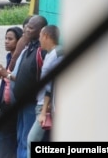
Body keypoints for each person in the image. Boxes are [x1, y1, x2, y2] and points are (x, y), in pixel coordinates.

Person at [0, 15, 48, 158]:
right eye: (26, 26)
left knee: (28, 141)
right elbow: (17, 74)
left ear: (41, 31)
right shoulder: (28, 48)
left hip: (32, 104)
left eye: (31, 28)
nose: (26, 29)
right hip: (20, 103)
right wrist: (6, 75)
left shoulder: (41, 52)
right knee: (20, 139)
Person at [27, 25, 64, 158]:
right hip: (43, 104)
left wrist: (45, 110)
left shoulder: (58, 54)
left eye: (40, 36)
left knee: (32, 140)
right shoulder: (49, 54)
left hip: (47, 107)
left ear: (46, 36)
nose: (39, 39)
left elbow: (54, 84)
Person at [0, 26, 23, 158]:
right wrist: (3, 75)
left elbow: (20, 79)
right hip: (4, 104)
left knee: (6, 139)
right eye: (5, 38)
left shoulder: (20, 59)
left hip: (13, 106)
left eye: (10, 39)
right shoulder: (9, 57)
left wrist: (6, 75)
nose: (6, 41)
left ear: (19, 41)